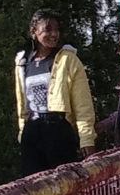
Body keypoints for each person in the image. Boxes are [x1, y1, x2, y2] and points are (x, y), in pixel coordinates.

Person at [13, 9, 95, 175]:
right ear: (34, 32)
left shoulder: (68, 59)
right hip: (32, 132)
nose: (54, 34)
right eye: (48, 29)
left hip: (58, 130)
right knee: (34, 184)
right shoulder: (22, 63)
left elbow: (83, 104)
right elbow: (22, 104)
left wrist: (87, 139)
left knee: (65, 182)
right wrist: (23, 132)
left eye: (57, 29)